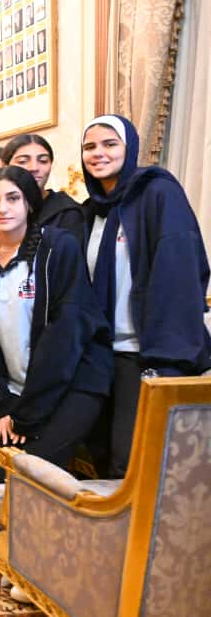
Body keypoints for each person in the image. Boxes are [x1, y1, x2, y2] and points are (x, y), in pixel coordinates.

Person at [0, 167, 113, 583]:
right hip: (15, 390)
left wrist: (26, 413)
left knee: (31, 473)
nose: (2, 208)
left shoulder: (57, 248)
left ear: (29, 203)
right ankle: (12, 559)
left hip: (72, 383)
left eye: (13, 198)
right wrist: (0, 404)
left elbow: (67, 333)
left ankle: (34, 569)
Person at [81, 114, 211, 478]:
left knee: (130, 461)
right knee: (101, 451)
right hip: (103, 353)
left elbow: (179, 273)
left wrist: (167, 359)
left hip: (146, 353)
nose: (98, 153)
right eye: (90, 147)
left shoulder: (158, 193)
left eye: (110, 144)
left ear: (130, 147)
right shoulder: (92, 211)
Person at [0, 135, 85, 250]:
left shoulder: (67, 213)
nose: (34, 168)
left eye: (43, 161)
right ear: (6, 166)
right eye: (23, 161)